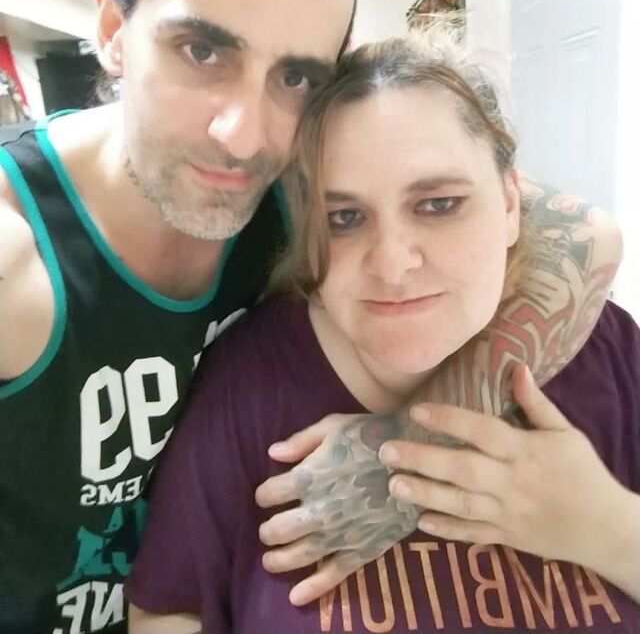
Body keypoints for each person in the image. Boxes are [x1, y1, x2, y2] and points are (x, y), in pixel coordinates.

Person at [0, 0, 619, 634]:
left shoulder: (303, 191)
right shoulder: (20, 255)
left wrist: (402, 451)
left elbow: (588, 234)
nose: (243, 133)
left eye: (295, 76)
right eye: (202, 50)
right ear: (114, 26)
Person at [126, 31, 639, 633]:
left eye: (439, 204)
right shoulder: (252, 382)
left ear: (509, 204)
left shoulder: (608, 352)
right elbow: (170, 608)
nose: (392, 264)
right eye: (344, 217)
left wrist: (606, 527)